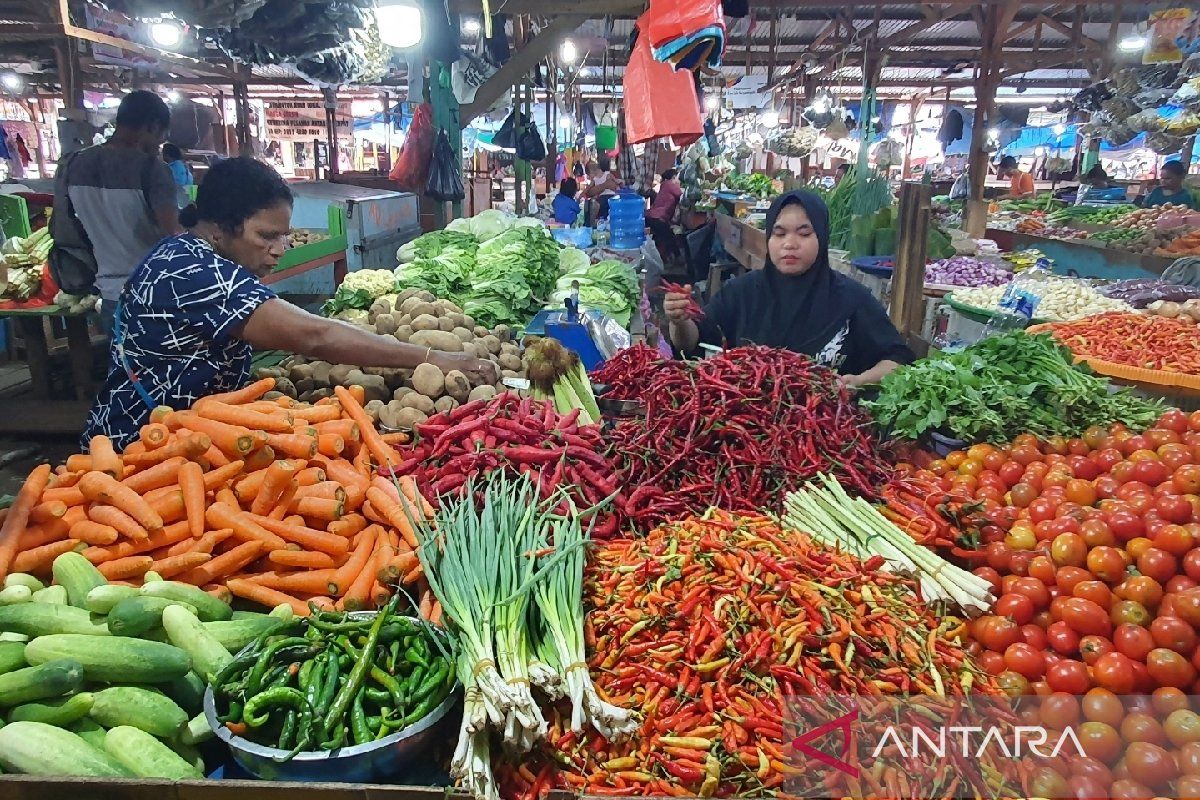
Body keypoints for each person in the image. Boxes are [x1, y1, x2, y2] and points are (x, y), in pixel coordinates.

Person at [82, 157, 498, 451]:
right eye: (266, 236)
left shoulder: (184, 253)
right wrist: (433, 357)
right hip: (143, 447)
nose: (280, 248)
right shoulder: (197, 272)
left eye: (284, 235)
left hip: (187, 433)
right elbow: (314, 335)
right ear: (220, 227)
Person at [663, 190, 913, 388]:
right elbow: (690, 346)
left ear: (822, 239)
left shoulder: (852, 299)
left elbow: (897, 360)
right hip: (746, 428)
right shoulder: (740, 293)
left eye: (804, 234)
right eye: (779, 233)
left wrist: (859, 381)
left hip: (823, 435)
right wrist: (679, 321)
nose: (790, 244)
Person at [51, 91, 180, 334]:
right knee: (166, 371)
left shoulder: (74, 165)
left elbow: (67, 228)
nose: (158, 148)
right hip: (154, 295)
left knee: (125, 370)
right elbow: (173, 235)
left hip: (110, 297)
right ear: (152, 126)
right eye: (160, 140)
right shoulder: (152, 168)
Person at [646, 169, 683, 265]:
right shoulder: (669, 184)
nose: (679, 181)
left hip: (652, 216)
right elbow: (682, 195)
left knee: (664, 237)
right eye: (678, 179)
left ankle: (669, 259)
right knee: (670, 238)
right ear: (674, 177)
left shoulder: (664, 185)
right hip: (658, 218)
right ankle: (678, 260)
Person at [584, 155, 620, 219]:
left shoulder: (600, 177)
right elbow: (589, 192)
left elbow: (588, 191)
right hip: (612, 199)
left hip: (603, 200)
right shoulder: (608, 175)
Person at [162, 143, 194, 208]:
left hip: (177, 206)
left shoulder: (170, 169)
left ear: (167, 155)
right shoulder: (185, 168)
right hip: (188, 205)